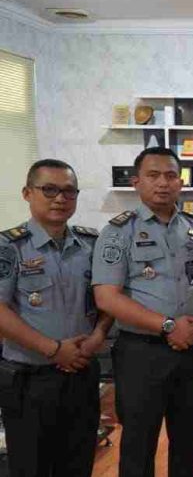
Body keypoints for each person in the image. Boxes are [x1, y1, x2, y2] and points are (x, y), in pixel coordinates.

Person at [92, 147, 193, 477]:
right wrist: (169, 325)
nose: (163, 183)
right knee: (139, 442)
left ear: (180, 182)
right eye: (153, 175)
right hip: (142, 353)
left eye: (171, 175)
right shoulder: (118, 232)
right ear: (136, 182)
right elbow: (107, 297)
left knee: (188, 440)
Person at [0, 159, 112, 477]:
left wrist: (98, 336)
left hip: (82, 374)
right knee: (31, 468)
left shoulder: (91, 245)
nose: (60, 198)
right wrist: (54, 349)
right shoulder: (9, 247)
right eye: (49, 190)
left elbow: (109, 299)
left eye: (68, 191)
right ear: (27, 193)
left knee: (78, 465)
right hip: (30, 379)